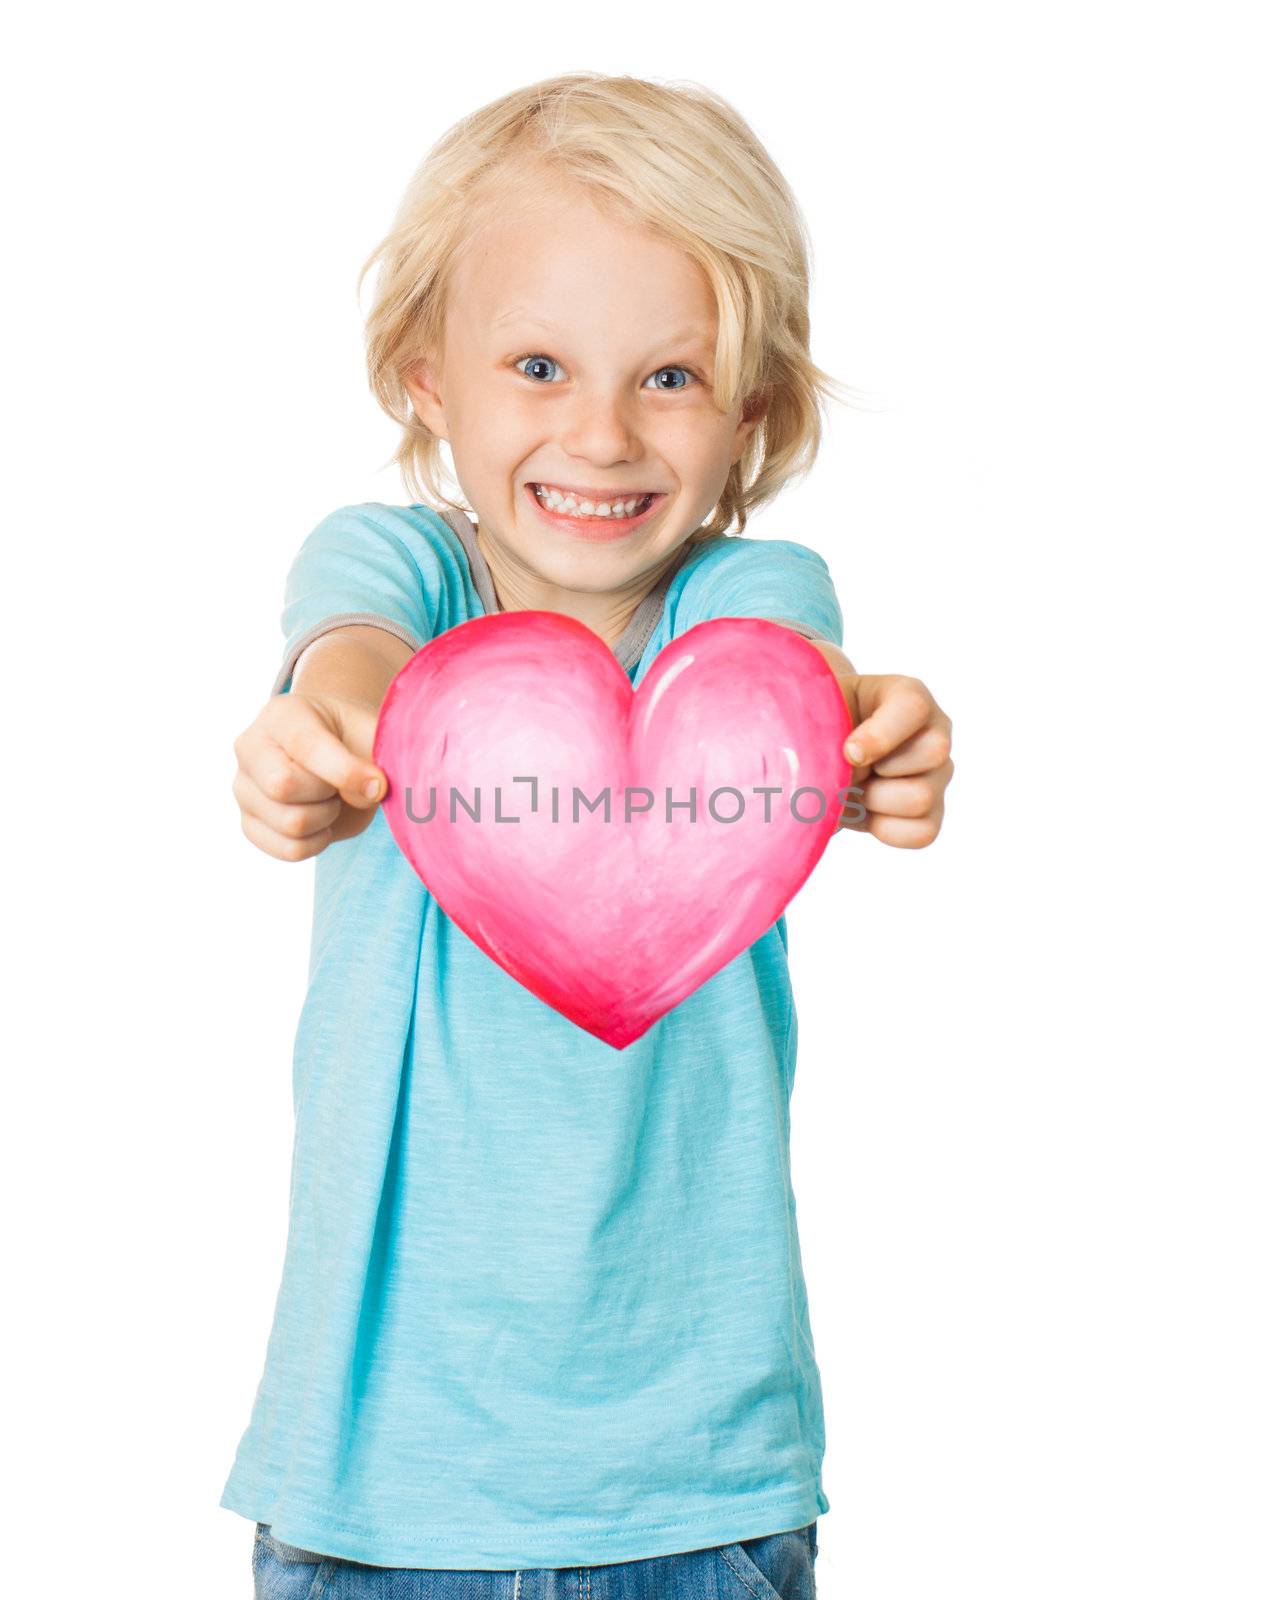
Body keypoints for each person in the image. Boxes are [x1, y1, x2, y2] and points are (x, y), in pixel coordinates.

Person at [223, 72, 954, 1596]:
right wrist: (334, 733)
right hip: (375, 1485)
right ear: (427, 375)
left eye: (671, 378)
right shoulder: (400, 572)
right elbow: (344, 649)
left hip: (693, 1490)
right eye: (539, 365)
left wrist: (867, 731)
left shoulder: (743, 603)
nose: (603, 434)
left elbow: (796, 682)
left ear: (751, 407)